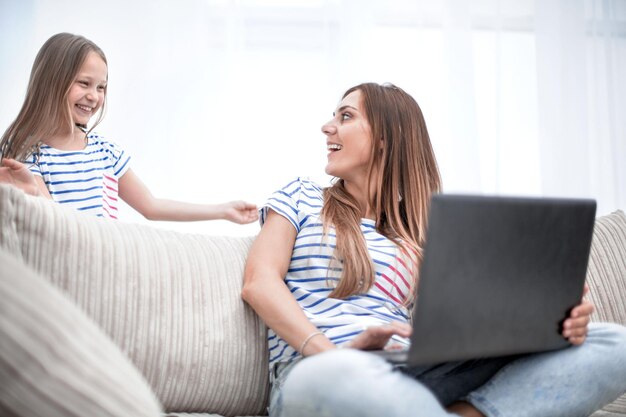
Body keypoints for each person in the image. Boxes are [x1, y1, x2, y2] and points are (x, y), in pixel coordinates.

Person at [242, 82, 626, 417]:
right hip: (319, 371)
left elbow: (467, 323)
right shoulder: (302, 196)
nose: (328, 127)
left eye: (345, 116)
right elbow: (258, 283)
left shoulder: (421, 233)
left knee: (614, 342)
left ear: (384, 138)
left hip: (413, 369)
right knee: (344, 376)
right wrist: (331, 353)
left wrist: (550, 321)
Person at [0, 32, 257, 224]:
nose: (94, 96)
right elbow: (55, 220)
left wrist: (222, 211)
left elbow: (152, 206)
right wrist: (32, 193)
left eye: (101, 87)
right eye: (84, 83)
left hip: (106, 268)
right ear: (52, 82)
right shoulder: (26, 151)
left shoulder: (105, 153)